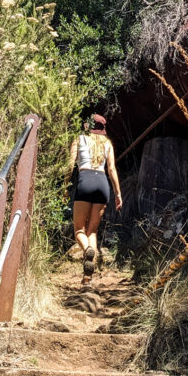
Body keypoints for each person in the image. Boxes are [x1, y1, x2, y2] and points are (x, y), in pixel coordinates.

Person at [66, 113, 122, 283]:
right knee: (93, 231)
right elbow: (111, 169)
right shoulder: (108, 144)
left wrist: (66, 186)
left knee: (79, 230)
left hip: (85, 181)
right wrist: (118, 193)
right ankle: (87, 278)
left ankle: (87, 250)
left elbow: (70, 165)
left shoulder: (79, 139)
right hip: (102, 183)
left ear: (87, 126)